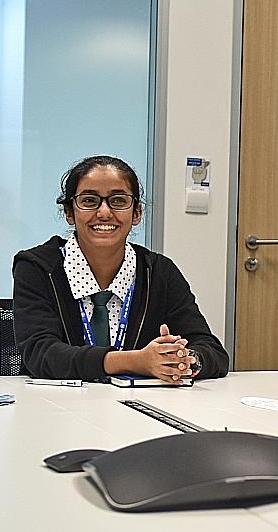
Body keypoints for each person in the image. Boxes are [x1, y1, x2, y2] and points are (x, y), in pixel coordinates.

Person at [13, 155, 228, 383]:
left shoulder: (158, 272)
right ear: (69, 212)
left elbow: (212, 352)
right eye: (89, 201)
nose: (104, 212)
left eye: (118, 201)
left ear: (137, 213)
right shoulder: (37, 267)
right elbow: (41, 355)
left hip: (139, 407)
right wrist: (136, 361)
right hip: (56, 407)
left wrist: (182, 359)